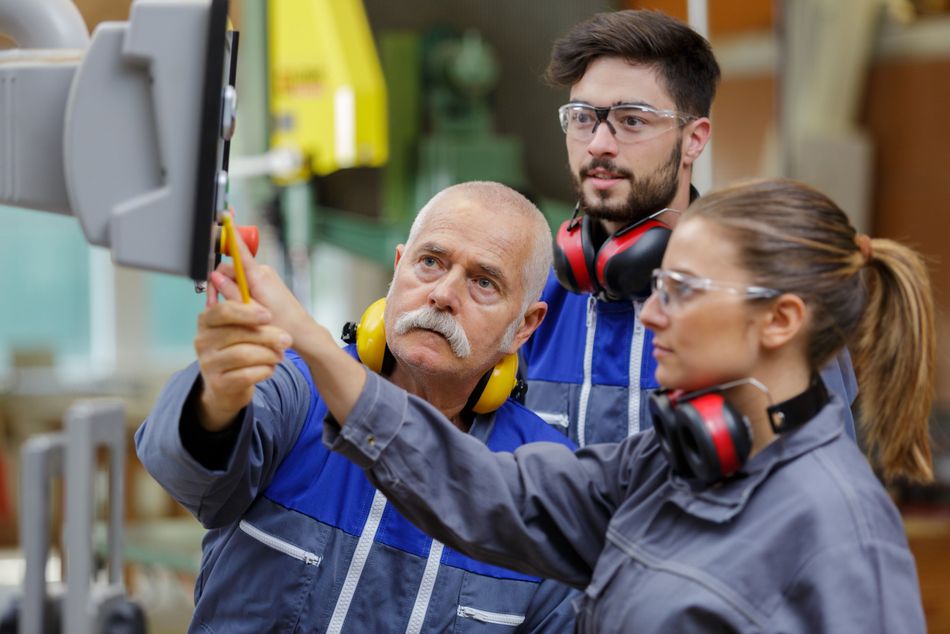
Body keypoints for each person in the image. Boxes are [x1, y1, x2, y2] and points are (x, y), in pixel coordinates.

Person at [213, 178, 931, 632]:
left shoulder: (843, 534)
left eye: (681, 291)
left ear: (778, 323)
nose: (649, 317)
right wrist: (309, 341)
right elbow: (485, 491)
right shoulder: (667, 462)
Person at [135, 182, 580, 633]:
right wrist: (218, 400)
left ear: (525, 325)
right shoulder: (297, 389)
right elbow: (180, 469)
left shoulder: (541, 484)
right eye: (430, 262)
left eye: (483, 282)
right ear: (398, 265)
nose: (443, 294)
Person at [520, 10, 859, 445]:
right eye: (583, 117)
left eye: (632, 120)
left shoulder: (765, 311)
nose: (599, 144)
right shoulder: (535, 305)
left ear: (694, 139)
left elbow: (812, 492)